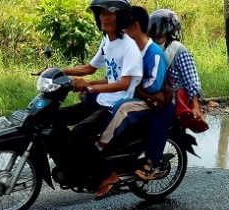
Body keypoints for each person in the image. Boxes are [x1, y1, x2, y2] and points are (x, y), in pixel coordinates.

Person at [57, 0, 142, 189]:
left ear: (120, 17)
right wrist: (60, 71)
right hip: (103, 100)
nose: (103, 17)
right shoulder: (107, 41)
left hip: (118, 104)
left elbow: (125, 83)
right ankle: (73, 165)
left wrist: (92, 88)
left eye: (109, 13)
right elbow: (90, 68)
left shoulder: (129, 46)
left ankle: (108, 174)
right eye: (101, 13)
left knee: (79, 132)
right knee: (56, 117)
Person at [94, 5, 172, 194]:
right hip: (136, 97)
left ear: (135, 27)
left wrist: (132, 81)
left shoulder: (154, 53)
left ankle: (100, 147)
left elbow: (153, 85)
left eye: (124, 28)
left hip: (154, 102)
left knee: (122, 107)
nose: (121, 33)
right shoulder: (128, 49)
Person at [138, 8, 205, 180]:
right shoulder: (147, 48)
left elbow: (192, 80)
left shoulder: (179, 51)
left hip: (170, 100)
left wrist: (196, 106)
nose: (155, 34)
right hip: (151, 95)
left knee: (158, 118)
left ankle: (151, 163)